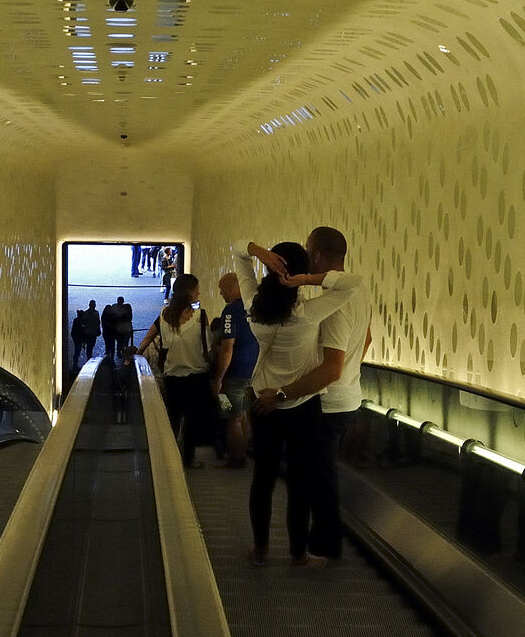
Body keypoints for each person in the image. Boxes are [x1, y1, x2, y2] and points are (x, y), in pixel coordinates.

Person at [249, 226, 372, 560]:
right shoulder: (357, 295)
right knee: (314, 476)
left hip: (324, 399)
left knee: (314, 479)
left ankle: (323, 548)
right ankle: (305, 550)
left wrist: (282, 395)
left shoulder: (329, 308)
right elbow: (369, 339)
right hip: (349, 394)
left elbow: (330, 369)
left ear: (316, 255)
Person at [137, 274, 214, 467]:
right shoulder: (200, 316)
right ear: (189, 292)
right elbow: (209, 348)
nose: (199, 292)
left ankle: (166, 458)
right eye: (197, 289)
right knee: (191, 421)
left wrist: (136, 355)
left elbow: (147, 338)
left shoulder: (164, 315)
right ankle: (188, 459)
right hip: (197, 376)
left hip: (172, 376)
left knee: (173, 417)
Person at [209, 270, 258, 468]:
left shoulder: (230, 311)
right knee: (245, 415)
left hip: (235, 373)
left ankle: (236, 460)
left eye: (222, 291)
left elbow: (227, 349)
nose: (221, 295)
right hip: (256, 372)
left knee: (233, 418)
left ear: (232, 288)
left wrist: (219, 378)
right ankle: (245, 452)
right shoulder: (255, 307)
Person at [69, 300, 101, 379]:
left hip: (87, 334)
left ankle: (78, 365)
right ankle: (89, 363)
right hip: (91, 334)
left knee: (85, 350)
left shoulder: (86, 314)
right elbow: (98, 323)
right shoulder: (96, 313)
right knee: (89, 349)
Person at [101, 295, 134, 364]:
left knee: (112, 345)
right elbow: (129, 318)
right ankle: (121, 358)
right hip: (121, 330)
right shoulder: (126, 308)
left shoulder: (114, 308)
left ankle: (112, 358)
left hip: (116, 330)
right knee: (122, 344)